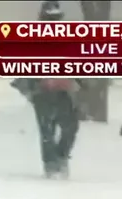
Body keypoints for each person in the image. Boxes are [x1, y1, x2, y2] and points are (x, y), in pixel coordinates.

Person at [10, 1, 81, 178]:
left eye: (56, 19)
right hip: (42, 92)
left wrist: (75, 81)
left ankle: (62, 157)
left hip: (64, 92)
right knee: (47, 128)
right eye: (49, 19)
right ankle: (50, 164)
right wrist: (37, 83)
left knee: (70, 126)